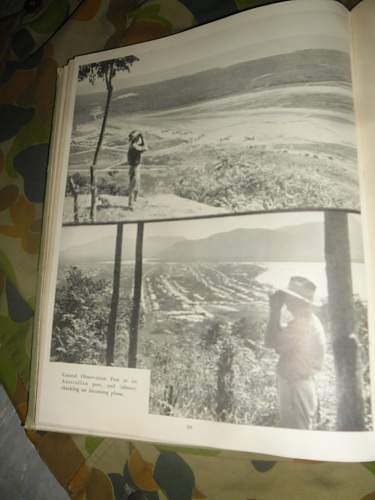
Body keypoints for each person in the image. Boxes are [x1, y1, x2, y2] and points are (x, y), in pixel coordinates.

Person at [265, 276, 326, 430]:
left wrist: (274, 310)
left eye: (289, 297)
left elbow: (271, 341)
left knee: (297, 437)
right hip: (298, 385)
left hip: (296, 388)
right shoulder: (307, 321)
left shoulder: (302, 326)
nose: (285, 300)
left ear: (299, 301)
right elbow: (279, 338)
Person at [127, 130, 148, 210]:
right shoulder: (134, 146)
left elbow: (142, 146)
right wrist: (142, 137)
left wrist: (141, 137)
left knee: (136, 186)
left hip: (135, 167)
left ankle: (134, 202)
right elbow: (145, 148)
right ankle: (131, 205)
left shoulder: (133, 145)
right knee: (133, 186)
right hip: (135, 168)